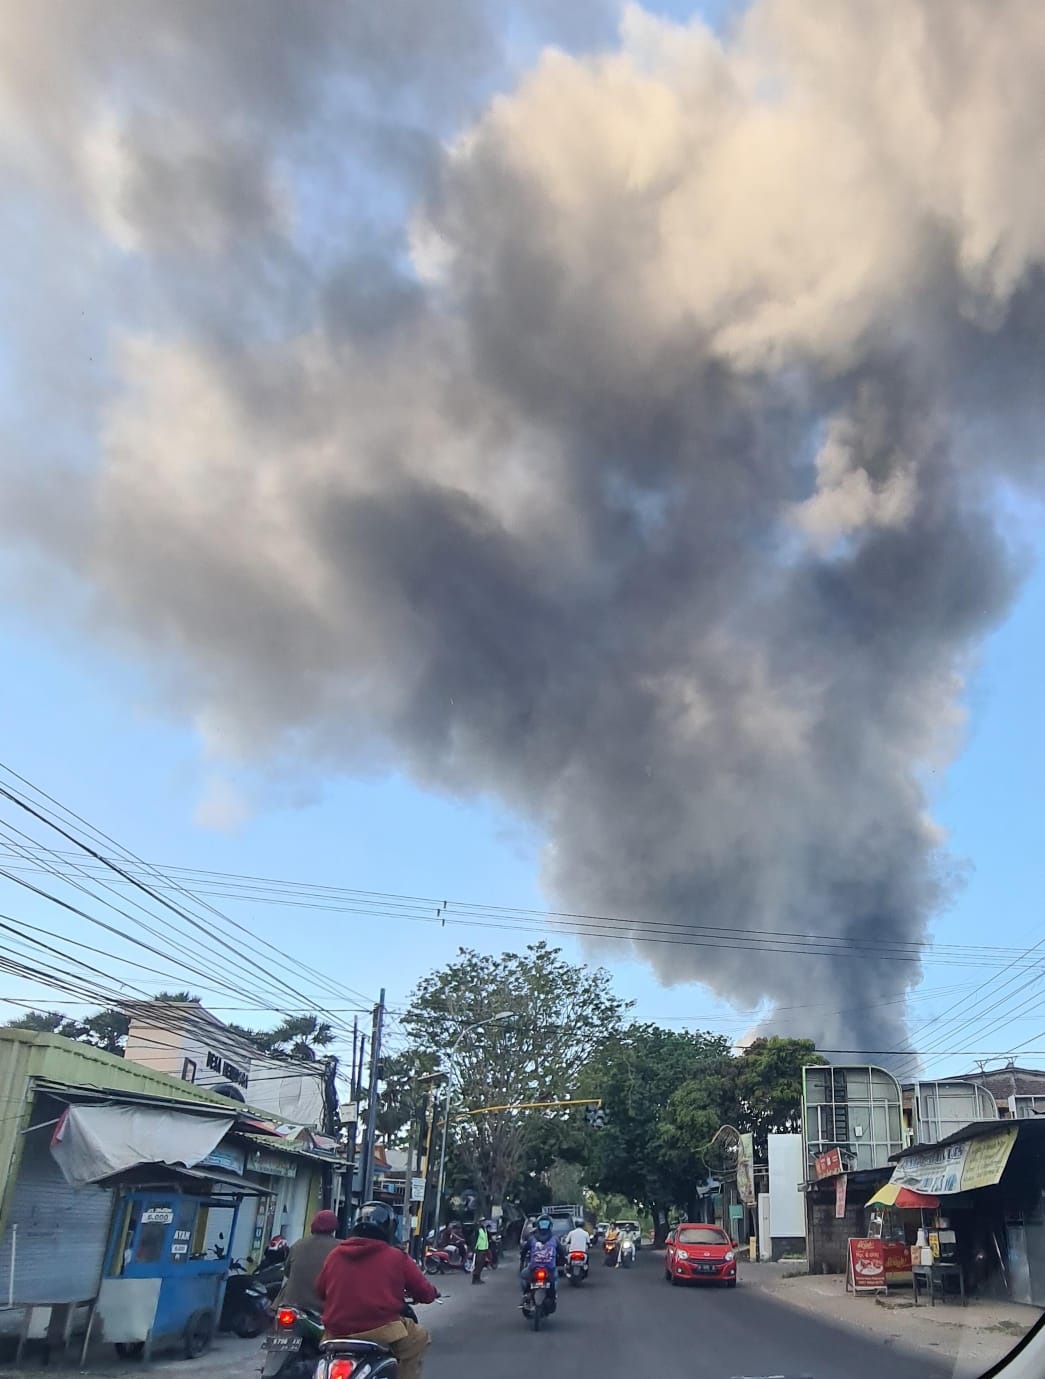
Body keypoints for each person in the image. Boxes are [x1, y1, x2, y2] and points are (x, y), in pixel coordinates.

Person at [316, 1201, 438, 1379]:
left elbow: (320, 1291)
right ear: (388, 1228)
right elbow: (424, 1292)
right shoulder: (396, 1257)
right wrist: (432, 1293)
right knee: (420, 1336)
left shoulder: (335, 1254)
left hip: (336, 1332)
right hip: (380, 1330)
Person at [276, 1210, 340, 1315]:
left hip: (293, 1305)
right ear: (334, 1226)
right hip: (324, 1308)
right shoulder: (340, 1248)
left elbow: (287, 1272)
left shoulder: (298, 1244)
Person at [519, 1215, 566, 1311]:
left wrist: (522, 1260)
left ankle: (526, 1294)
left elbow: (524, 1251)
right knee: (555, 1278)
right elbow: (562, 1252)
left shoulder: (532, 1238)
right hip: (550, 1268)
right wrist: (563, 1261)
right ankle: (553, 1296)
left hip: (534, 1267)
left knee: (523, 1275)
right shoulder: (555, 1239)